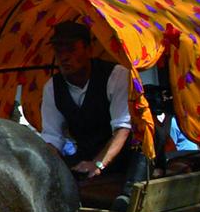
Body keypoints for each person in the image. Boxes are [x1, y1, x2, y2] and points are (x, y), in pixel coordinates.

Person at [36, 22, 146, 190]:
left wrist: (98, 164)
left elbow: (122, 129)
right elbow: (52, 137)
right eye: (59, 51)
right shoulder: (52, 87)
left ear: (89, 50)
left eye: (71, 49)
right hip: (84, 162)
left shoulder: (116, 76)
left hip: (127, 162)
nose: (64, 57)